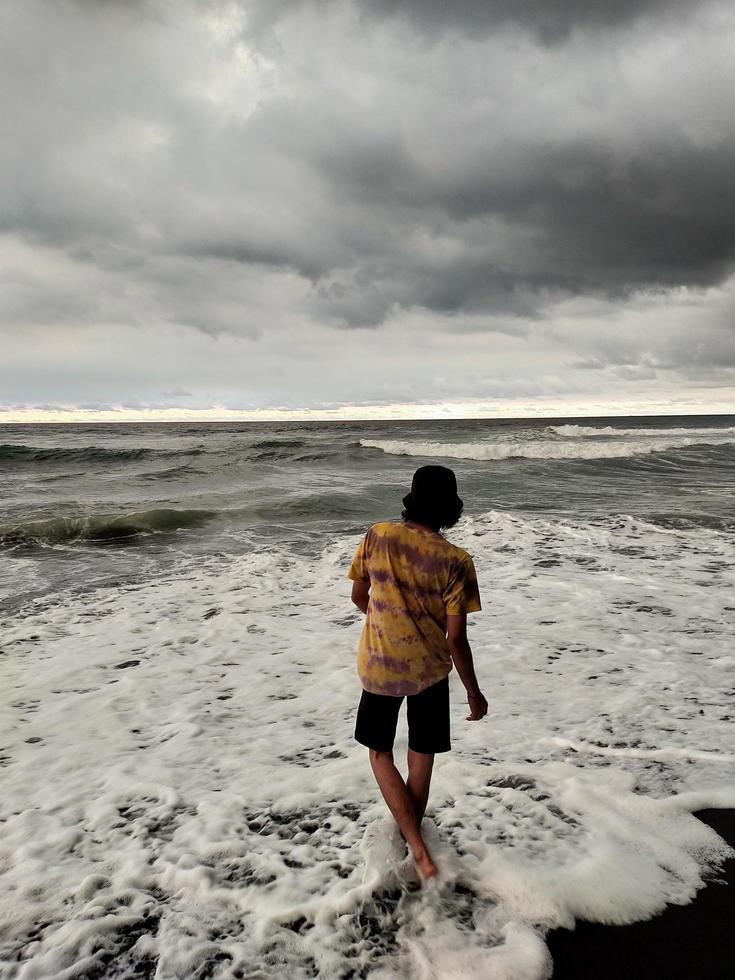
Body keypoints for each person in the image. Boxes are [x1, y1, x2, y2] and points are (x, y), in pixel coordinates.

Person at [347, 464, 488, 881]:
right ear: (450, 507)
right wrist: (474, 693)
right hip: (430, 670)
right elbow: (456, 638)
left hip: (379, 665)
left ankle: (417, 846)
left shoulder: (378, 535)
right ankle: (415, 843)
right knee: (421, 758)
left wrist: (386, 621)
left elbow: (360, 595)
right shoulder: (457, 561)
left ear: (411, 498)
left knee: (379, 753)